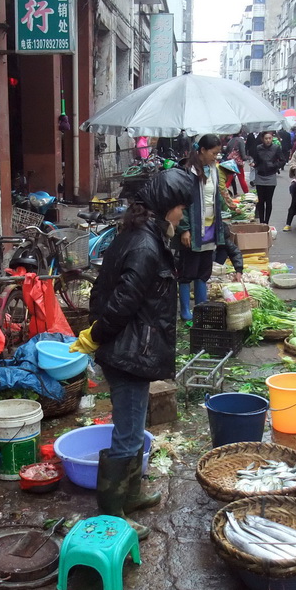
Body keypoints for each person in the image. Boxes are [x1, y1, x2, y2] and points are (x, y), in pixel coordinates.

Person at [72, 167, 197, 540]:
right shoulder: (144, 244)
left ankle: (132, 493)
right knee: (127, 434)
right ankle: (113, 515)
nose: (182, 215)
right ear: (165, 206)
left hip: (130, 347)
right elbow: (124, 300)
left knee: (133, 426)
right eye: (180, 208)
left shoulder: (143, 234)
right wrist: (97, 334)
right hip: (128, 351)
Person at [176, 134, 225, 323]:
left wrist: (226, 205)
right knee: (188, 271)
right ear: (202, 150)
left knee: (204, 270)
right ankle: (185, 311)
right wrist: (185, 229)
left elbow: (213, 197)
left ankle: (201, 307)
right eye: (214, 153)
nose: (216, 157)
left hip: (210, 228)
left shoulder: (212, 169)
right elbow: (182, 203)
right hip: (194, 230)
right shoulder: (188, 171)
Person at [249, 131, 285, 225]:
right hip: (260, 176)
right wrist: (254, 164)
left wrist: (274, 165)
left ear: (272, 138)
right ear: (262, 139)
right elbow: (256, 160)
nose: (268, 140)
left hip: (271, 177)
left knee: (268, 201)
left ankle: (266, 222)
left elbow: (282, 160)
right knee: (261, 201)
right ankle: (261, 222)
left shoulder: (276, 148)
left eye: (269, 138)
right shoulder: (258, 148)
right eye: (266, 138)